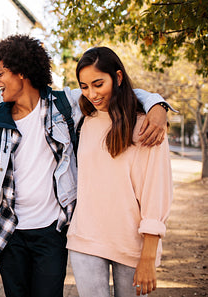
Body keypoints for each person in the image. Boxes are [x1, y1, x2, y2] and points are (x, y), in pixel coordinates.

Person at [0, 34, 171, 297]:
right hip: (12, 230)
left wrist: (158, 105)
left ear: (21, 73)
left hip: (53, 229)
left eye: (0, 73)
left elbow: (120, 90)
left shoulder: (65, 106)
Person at [66, 47, 173, 297]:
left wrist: (148, 256)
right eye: (84, 86)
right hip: (86, 238)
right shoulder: (84, 119)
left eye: (98, 84)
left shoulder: (148, 126)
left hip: (132, 245)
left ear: (118, 77)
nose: (91, 93)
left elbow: (155, 193)